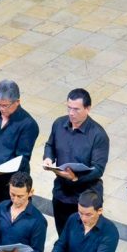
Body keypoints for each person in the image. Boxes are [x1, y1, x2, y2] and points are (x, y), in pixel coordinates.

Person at [43, 88, 110, 237]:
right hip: (61, 192)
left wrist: (75, 178)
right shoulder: (59, 124)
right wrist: (48, 157)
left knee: (81, 237)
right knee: (63, 234)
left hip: (85, 196)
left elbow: (98, 169)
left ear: (88, 108)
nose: (71, 113)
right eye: (69, 108)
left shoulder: (98, 135)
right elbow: (50, 145)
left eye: (76, 109)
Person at [0, 79, 40, 226]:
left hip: (11, 185)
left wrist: (1, 171)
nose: (1, 108)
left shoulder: (28, 124)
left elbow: (22, 158)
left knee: (11, 221)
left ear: (17, 102)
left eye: (5, 105)